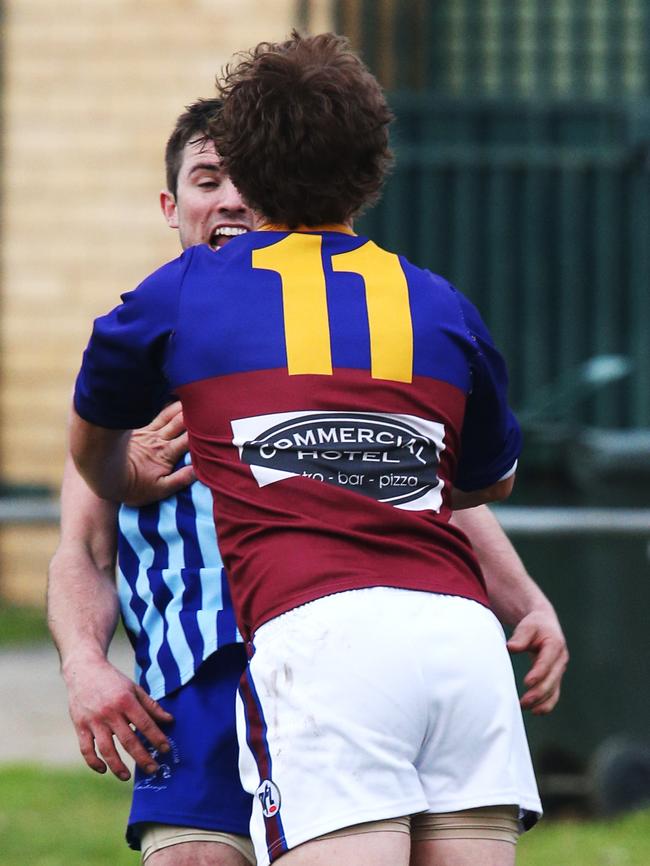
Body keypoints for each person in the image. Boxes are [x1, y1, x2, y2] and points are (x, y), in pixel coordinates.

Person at [65, 36, 566, 863]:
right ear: (374, 169)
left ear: (252, 173)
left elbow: (90, 444)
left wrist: (123, 473)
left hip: (322, 639)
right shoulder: (438, 300)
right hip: (460, 642)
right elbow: (482, 482)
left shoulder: (182, 297)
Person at [48, 99, 257, 866]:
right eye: (207, 179)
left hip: (333, 664)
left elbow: (420, 480)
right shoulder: (136, 346)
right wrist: (85, 663)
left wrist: (520, 594)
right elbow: (82, 548)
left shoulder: (335, 325)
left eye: (251, 179)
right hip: (195, 681)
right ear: (173, 207)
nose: (230, 198)